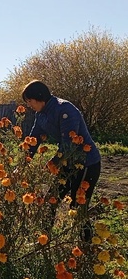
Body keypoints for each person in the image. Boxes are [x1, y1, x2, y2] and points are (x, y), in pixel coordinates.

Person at [22, 80, 101, 242]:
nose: (29, 105)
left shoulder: (65, 109)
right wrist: (23, 164)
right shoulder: (41, 115)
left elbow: (68, 145)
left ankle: (86, 246)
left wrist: (51, 164)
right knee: (51, 200)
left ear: (39, 98)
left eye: (29, 101)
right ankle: (43, 240)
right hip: (68, 163)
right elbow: (33, 140)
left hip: (87, 163)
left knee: (78, 206)